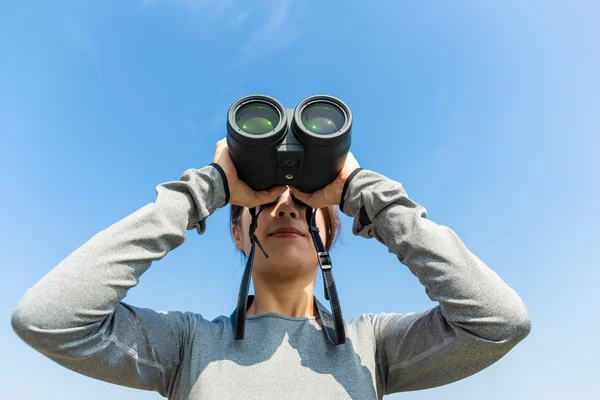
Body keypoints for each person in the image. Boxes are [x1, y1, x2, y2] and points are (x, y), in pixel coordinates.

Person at [12, 138, 531, 399]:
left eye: (306, 204)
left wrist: (365, 193)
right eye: (261, 204)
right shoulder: (186, 346)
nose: (284, 208)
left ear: (332, 230)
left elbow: (497, 322)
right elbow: (49, 319)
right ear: (236, 232)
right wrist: (207, 188)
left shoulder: (374, 347)